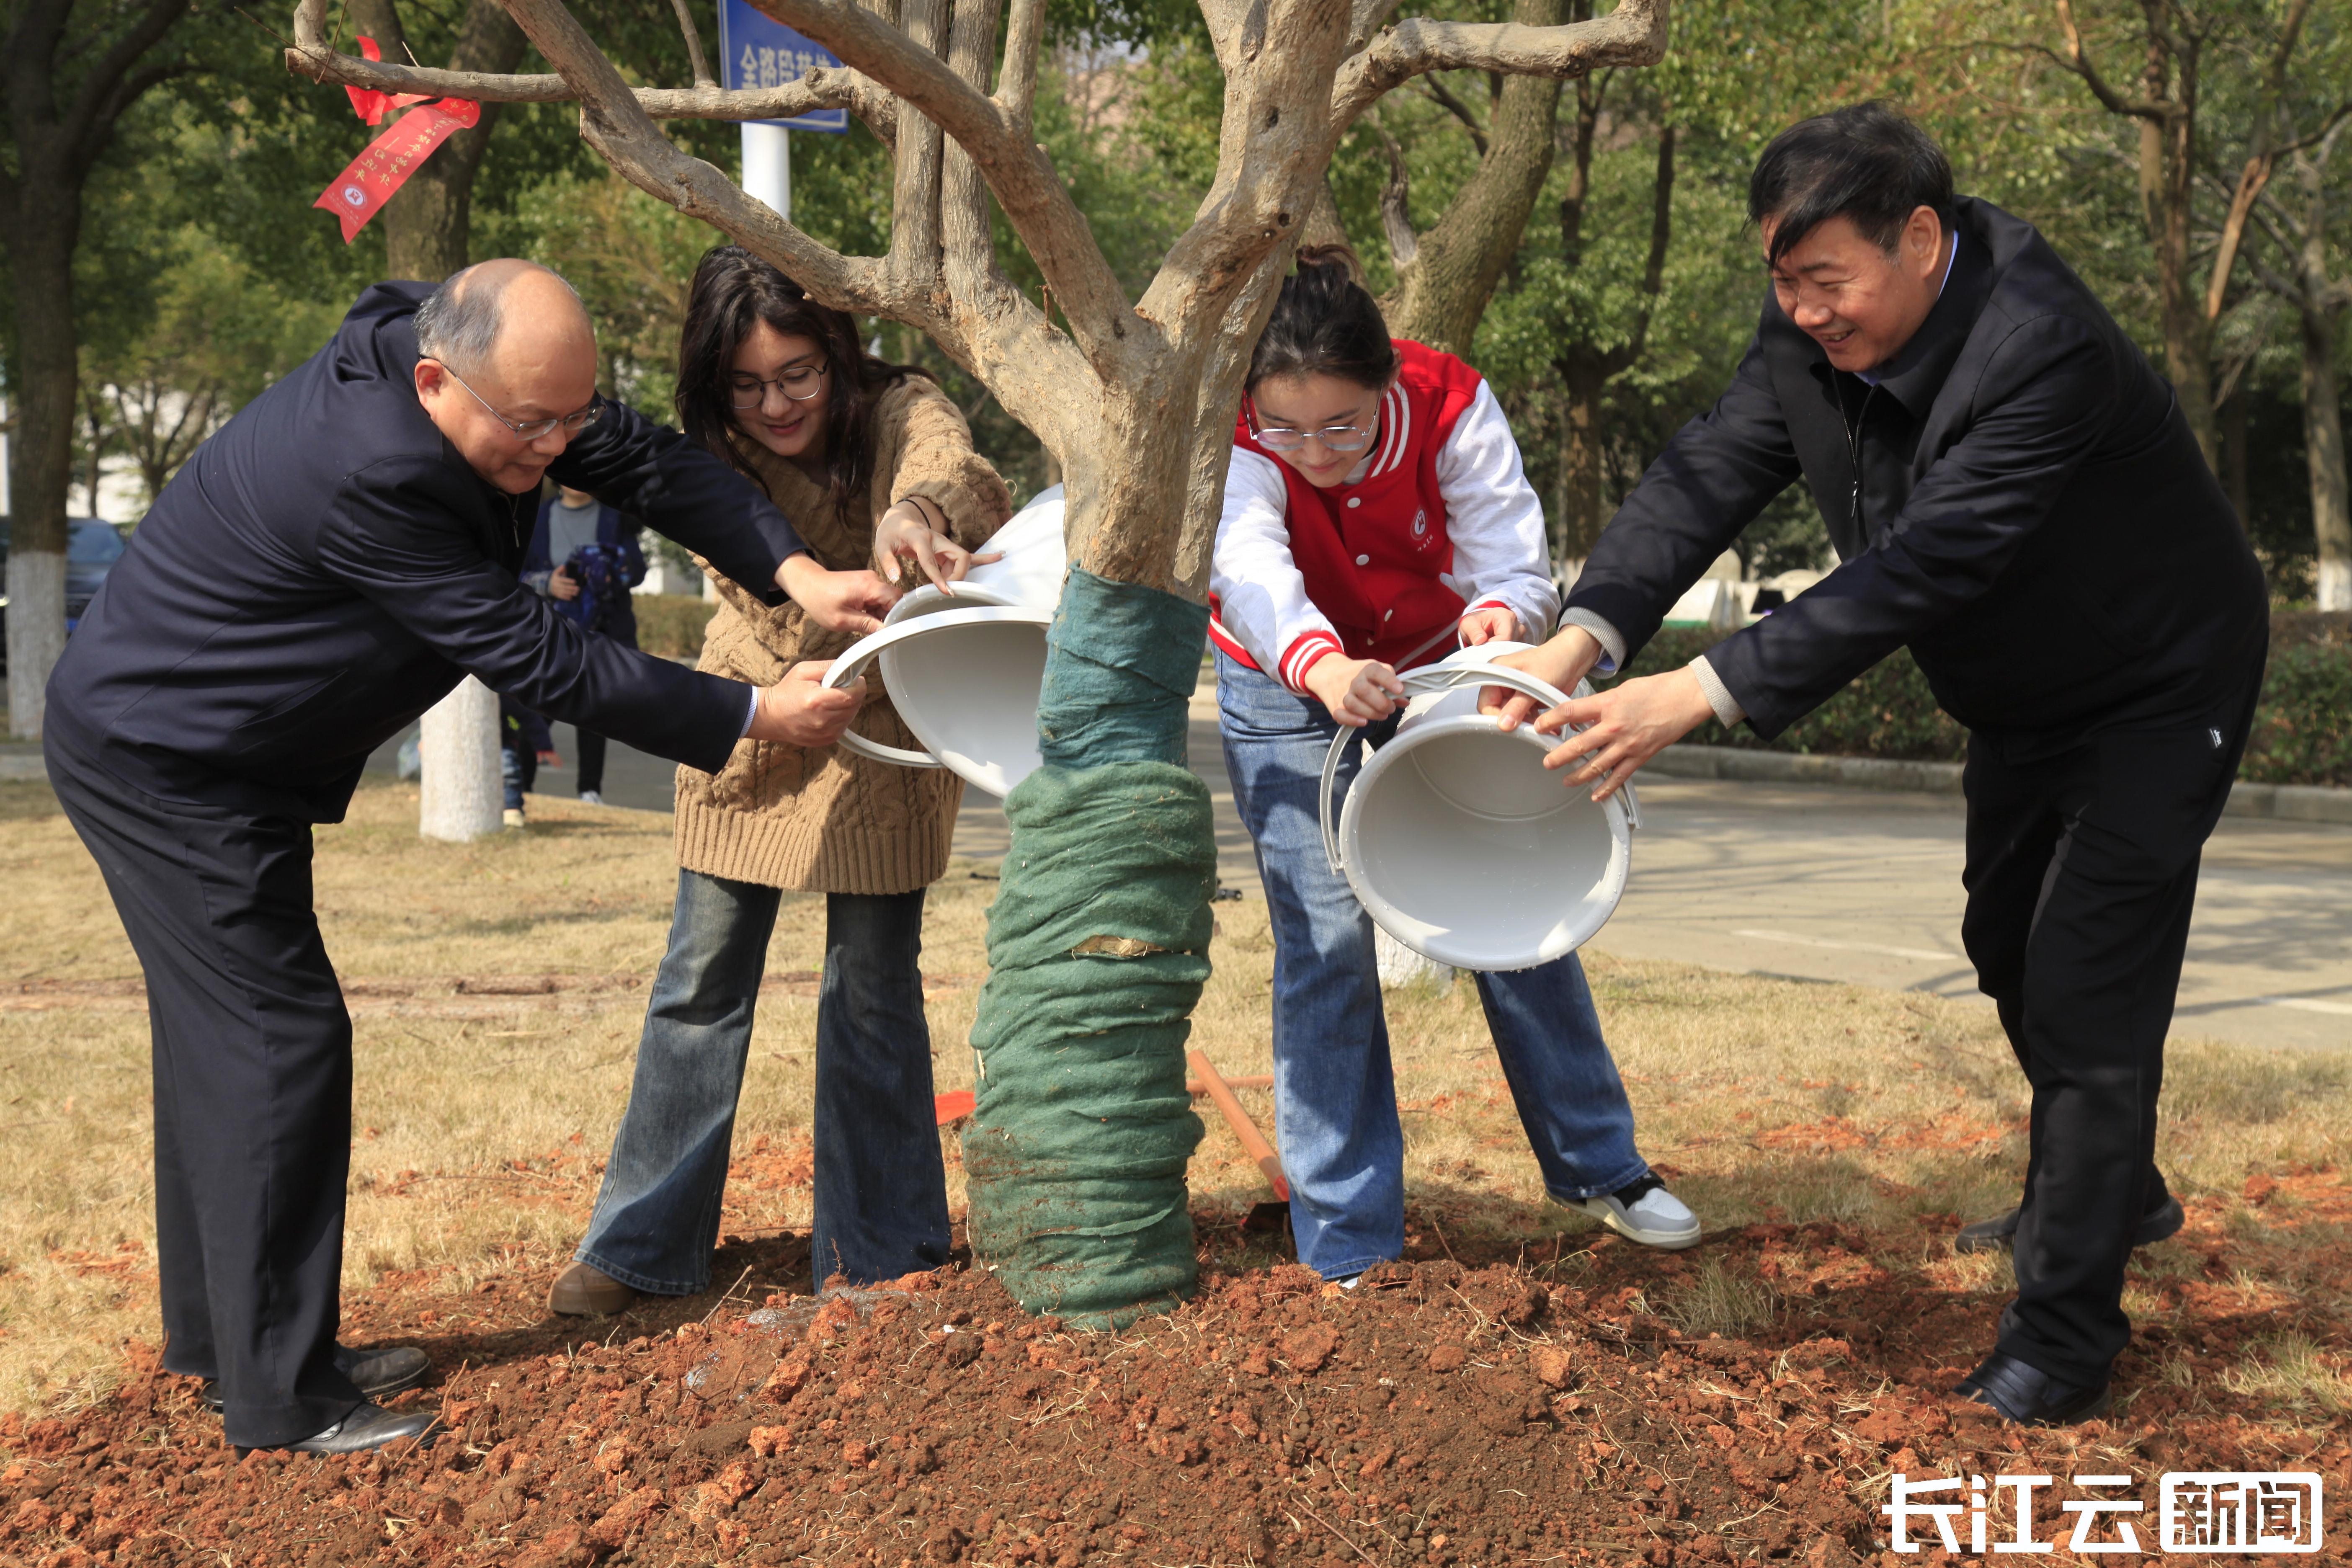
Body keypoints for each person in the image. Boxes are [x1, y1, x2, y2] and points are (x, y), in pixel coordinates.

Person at [1488, 105, 2267, 1425]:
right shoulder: (1814, 317)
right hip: (2019, 693)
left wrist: (1695, 691)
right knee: (2004, 943)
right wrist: (1585, 635)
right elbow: (1711, 468)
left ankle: (2062, 1339)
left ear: (1919, 238)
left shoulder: (2043, 346)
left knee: (2087, 991)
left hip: (2157, 683)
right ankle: (2112, 1183)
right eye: (1785, 282)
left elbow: (1924, 564)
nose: (1805, 312)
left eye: (1827, 282)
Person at [42, 259, 900, 1456]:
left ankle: (234, 1346)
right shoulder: (369, 472)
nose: (553, 449)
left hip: (221, 748)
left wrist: (799, 571)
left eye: (569, 417)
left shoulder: (483, 373)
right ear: (436, 381)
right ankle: (283, 1396)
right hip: (170, 759)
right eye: (531, 424)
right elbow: (540, 657)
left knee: (226, 1048)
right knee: (278, 1041)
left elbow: (646, 460)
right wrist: (757, 713)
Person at [1207, 246, 1700, 1286]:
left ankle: (1600, 1165)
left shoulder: (1450, 400)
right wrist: (1321, 665)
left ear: (1387, 385)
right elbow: (1248, 567)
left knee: (1507, 894)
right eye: (1289, 429)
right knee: (1324, 942)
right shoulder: (1237, 429)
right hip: (1287, 678)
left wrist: (1501, 619)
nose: (1316, 452)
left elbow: (1510, 553)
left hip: (1445, 665)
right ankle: (1348, 1237)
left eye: (1343, 426)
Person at [547, 247, 1013, 1317]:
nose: (776, 404)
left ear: (837, 351)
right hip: (752, 717)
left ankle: (883, 1247)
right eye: (747, 384)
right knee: (700, 980)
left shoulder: (898, 406)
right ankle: (640, 1244)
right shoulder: (709, 451)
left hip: (883, 726)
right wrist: (786, 681)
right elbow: (757, 585)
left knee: (872, 989)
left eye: (798, 373)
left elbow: (947, 463)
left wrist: (917, 516)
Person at [522, 484, 649, 805]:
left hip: (601, 632)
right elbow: (516, 573)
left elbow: (637, 571)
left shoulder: (614, 517)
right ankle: (521, 788)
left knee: (593, 712)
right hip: (550, 633)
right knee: (536, 708)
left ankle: (590, 791)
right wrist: (547, 583)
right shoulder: (537, 516)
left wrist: (608, 570)